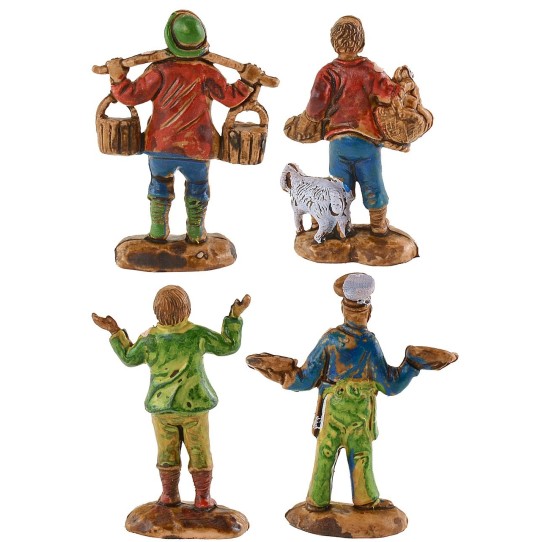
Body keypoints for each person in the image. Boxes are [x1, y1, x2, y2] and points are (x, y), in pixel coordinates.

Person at [247, 273, 457, 511]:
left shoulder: (330, 340)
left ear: (343, 309)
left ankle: (317, 500)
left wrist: (280, 374)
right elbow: (389, 385)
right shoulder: (369, 343)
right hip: (360, 408)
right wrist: (410, 367)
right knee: (361, 454)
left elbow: (306, 378)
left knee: (326, 451)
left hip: (334, 407)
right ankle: (364, 499)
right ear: (369, 312)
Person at [106, 10, 262, 242]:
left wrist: (118, 78)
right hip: (198, 148)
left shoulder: (158, 71)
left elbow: (131, 95)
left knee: (159, 186)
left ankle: (158, 230)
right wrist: (247, 80)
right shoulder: (208, 72)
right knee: (198, 187)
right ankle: (196, 232)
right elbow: (231, 98)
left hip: (161, 145)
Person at [92, 285, 251, 510]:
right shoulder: (197, 334)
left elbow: (128, 358)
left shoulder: (149, 339)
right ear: (187, 309)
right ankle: (203, 498)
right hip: (195, 407)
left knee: (166, 451)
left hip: (161, 408)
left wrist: (115, 331)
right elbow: (229, 346)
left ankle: (169, 495)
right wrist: (234, 317)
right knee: (200, 451)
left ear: (156, 311)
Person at [286, 16, 403, 235]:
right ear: (362, 42)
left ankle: (337, 226)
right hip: (367, 142)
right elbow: (389, 94)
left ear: (333, 42)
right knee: (373, 182)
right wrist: (402, 83)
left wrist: (305, 123)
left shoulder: (328, 72)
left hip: (338, 142)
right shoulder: (371, 70)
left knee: (338, 187)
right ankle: (378, 224)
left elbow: (315, 108)